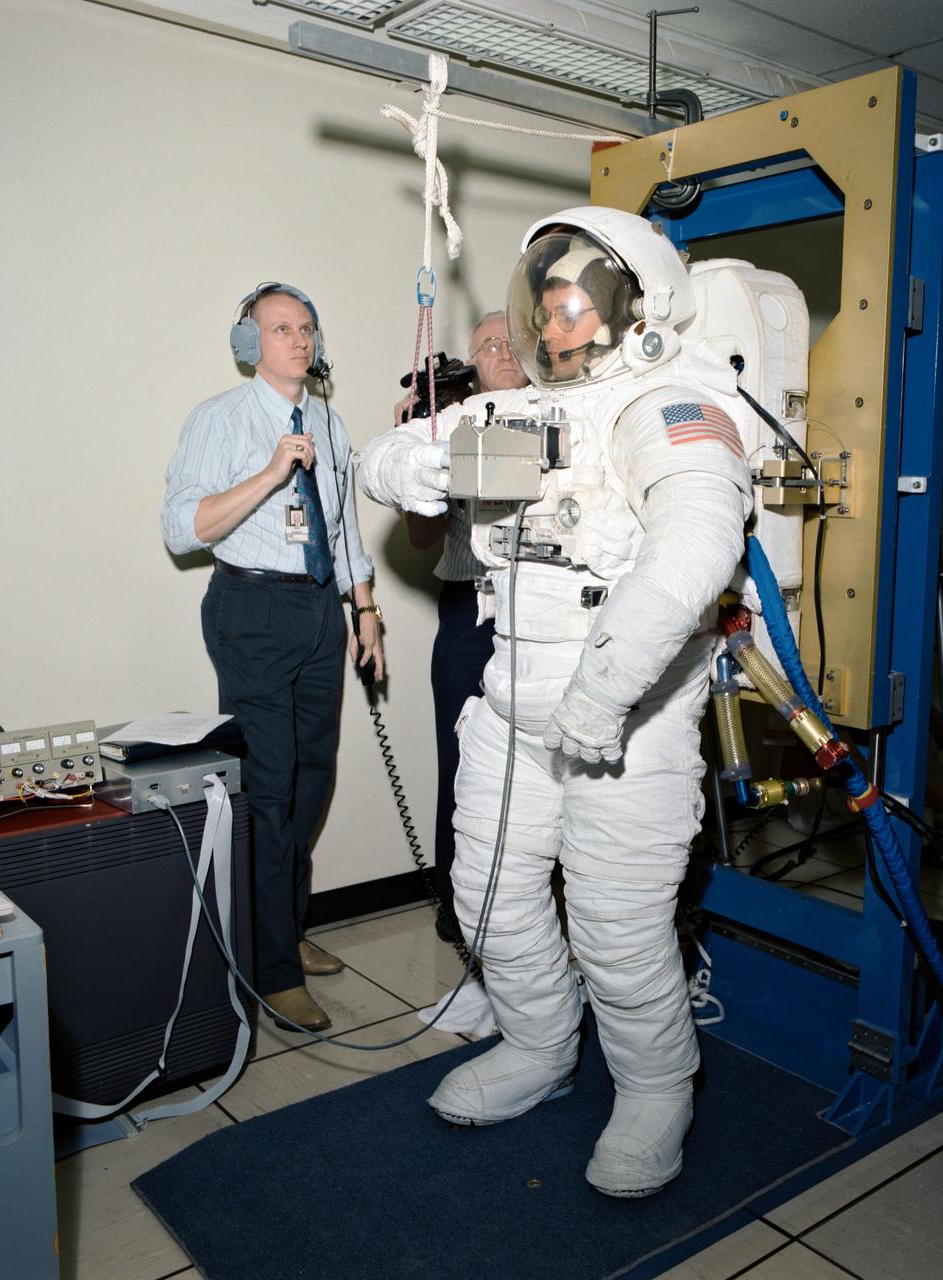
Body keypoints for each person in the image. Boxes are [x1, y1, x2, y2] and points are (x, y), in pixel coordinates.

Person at [359, 209, 754, 1197]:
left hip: (627, 720)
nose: (556, 322)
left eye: (576, 303)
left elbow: (692, 550)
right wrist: (419, 459)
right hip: (511, 702)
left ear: (635, 304)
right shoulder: (523, 416)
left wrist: (601, 694)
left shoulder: (669, 405)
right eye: (545, 303)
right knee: (485, 900)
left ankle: (656, 1088)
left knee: (616, 934)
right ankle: (539, 1048)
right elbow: (381, 461)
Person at [162, 282, 384, 1035]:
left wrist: (366, 611)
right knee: (269, 785)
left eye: (307, 328)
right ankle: (272, 970)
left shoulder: (330, 421)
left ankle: (284, 930)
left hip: (320, 609)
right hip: (251, 609)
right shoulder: (219, 420)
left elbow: (345, 524)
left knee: (310, 779)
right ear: (250, 344)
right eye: (282, 328)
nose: (300, 339)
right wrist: (269, 473)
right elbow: (182, 530)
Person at [410, 312, 528, 944]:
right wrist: (418, 452)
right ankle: (457, 906)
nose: (505, 352)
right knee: (459, 760)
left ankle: (530, 904)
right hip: (466, 609)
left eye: (516, 341)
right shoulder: (450, 426)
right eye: (491, 344)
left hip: (541, 610)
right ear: (469, 363)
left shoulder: (562, 418)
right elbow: (420, 534)